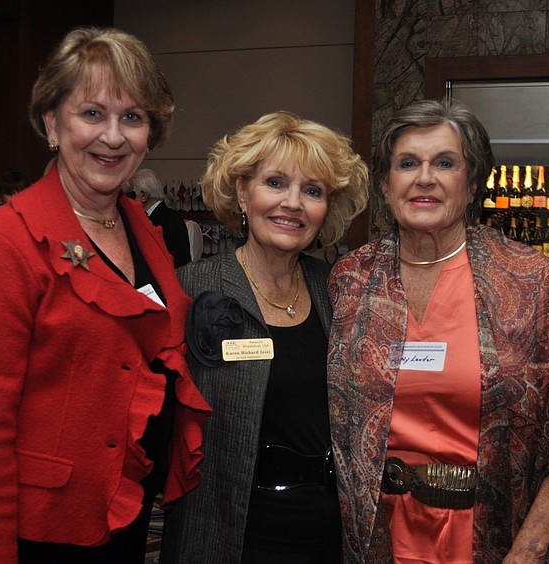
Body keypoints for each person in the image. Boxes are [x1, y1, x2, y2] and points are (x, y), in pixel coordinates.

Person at [0, 27, 211, 564]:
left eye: (132, 117)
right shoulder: (9, 241)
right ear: (52, 123)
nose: (113, 137)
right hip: (47, 531)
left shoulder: (140, 225)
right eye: (92, 113)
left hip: (127, 508)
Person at [326, 98, 549, 563]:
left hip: (493, 538)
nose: (424, 178)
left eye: (445, 163)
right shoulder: (352, 279)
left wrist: (532, 545)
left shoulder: (526, 280)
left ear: (473, 182)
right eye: (407, 163)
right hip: (378, 538)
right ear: (384, 184)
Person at [159, 111, 369, 563]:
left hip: (325, 536)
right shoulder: (190, 289)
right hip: (223, 534)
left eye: (312, 191)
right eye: (275, 183)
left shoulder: (338, 290)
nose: (293, 203)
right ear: (242, 191)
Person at [127, 168, 191, 267]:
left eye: (131, 195)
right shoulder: (147, 217)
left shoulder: (171, 219)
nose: (127, 200)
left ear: (143, 196)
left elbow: (179, 261)